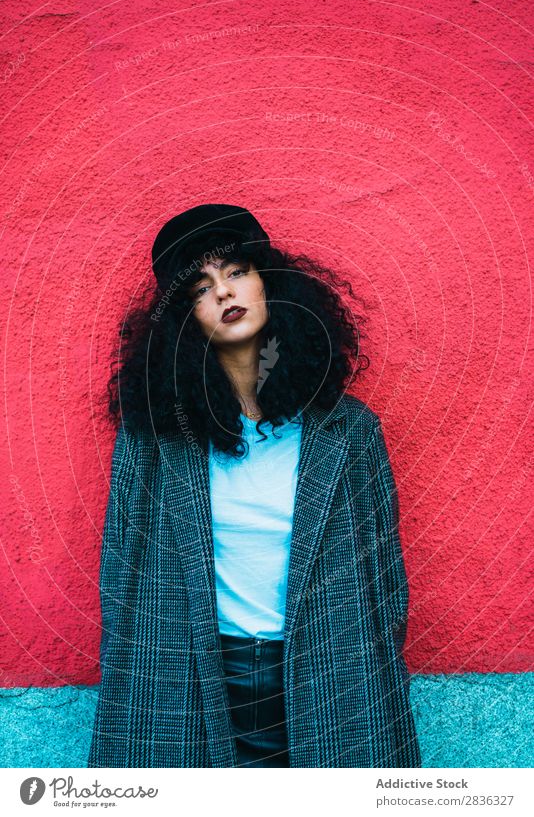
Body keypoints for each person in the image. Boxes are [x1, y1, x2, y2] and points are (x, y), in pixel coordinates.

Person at [88, 203, 422, 768]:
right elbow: (121, 573)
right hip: (189, 675)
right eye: (200, 286)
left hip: (328, 671)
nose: (223, 293)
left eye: (237, 271)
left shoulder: (349, 431)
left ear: (273, 285)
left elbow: (383, 578)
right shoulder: (155, 436)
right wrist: (132, 682)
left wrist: (374, 677)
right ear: (184, 319)